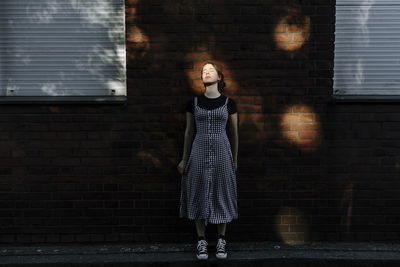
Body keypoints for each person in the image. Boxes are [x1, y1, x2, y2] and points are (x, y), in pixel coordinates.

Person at [177, 62, 239, 260]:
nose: (207, 72)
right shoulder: (193, 103)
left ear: (219, 77)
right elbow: (188, 132)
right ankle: (201, 240)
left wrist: (235, 159)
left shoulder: (229, 103)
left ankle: (221, 239)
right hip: (198, 153)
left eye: (211, 70)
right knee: (198, 190)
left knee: (222, 191)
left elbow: (235, 133)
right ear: (201, 78)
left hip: (222, 153)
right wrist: (184, 159)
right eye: (204, 71)